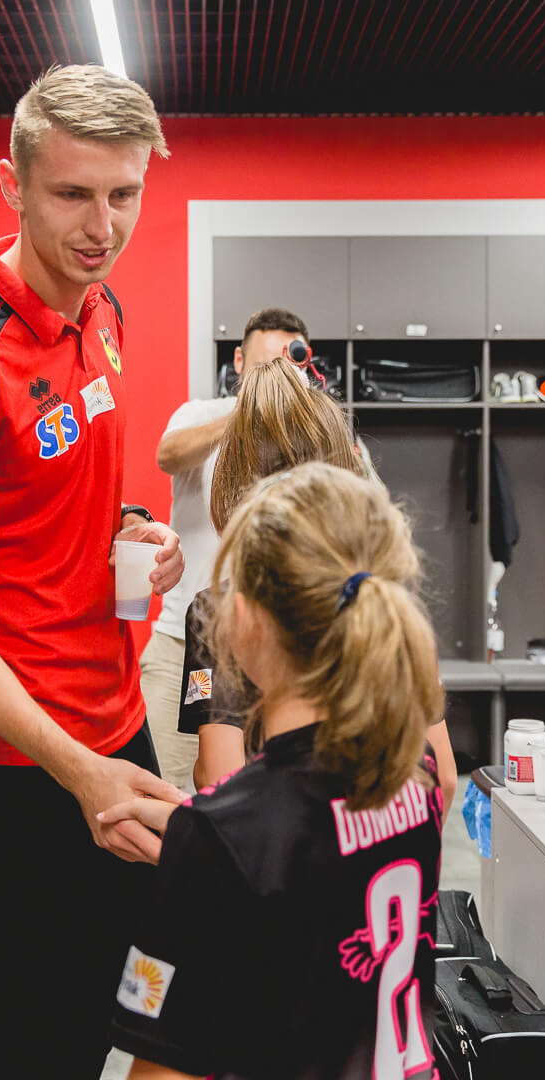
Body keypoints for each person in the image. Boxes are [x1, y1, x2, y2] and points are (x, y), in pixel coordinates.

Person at [0, 64, 187, 1078]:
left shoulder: (104, 312)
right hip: (18, 771)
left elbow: (71, 497)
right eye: (73, 194)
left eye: (124, 194)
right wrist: (79, 773)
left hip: (112, 725)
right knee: (20, 1048)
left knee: (135, 1010)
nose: (103, 226)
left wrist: (137, 530)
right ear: (12, 185)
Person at [103, 462, 446, 1080]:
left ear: (246, 621)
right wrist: (207, 838)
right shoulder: (414, 772)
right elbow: (317, 868)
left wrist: (204, 852)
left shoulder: (225, 839)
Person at [175, 360, 457, 815]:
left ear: (235, 481)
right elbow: (441, 778)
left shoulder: (222, 609)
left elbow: (219, 780)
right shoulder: (378, 589)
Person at [144, 307, 316, 794]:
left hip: (275, 651)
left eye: (287, 367)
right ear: (238, 362)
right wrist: (250, 408)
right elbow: (167, 454)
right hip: (184, 641)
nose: (276, 377)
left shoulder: (312, 427)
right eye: (263, 366)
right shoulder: (201, 414)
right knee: (162, 787)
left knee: (258, 798)